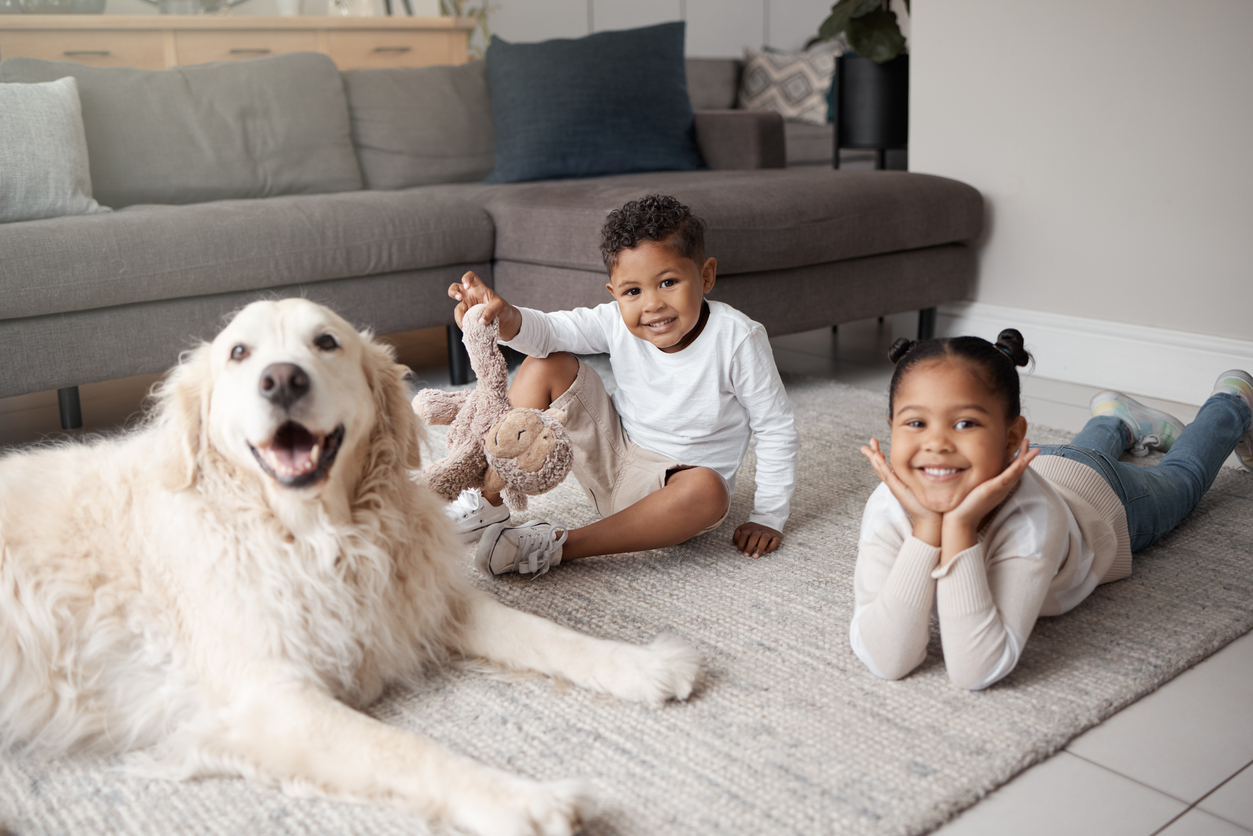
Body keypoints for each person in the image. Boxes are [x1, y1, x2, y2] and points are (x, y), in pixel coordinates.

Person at [851, 328, 1253, 690]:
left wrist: (956, 527)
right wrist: (924, 529)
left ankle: (1232, 401)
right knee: (1082, 453)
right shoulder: (888, 503)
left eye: (965, 424)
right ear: (891, 427)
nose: (936, 444)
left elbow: (976, 669)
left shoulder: (1032, 518)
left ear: (1013, 437)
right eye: (916, 424)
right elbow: (886, 659)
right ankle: (1115, 420)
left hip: (1101, 498)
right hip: (1042, 463)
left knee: (1182, 479)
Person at [442, 194, 799, 577]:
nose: (652, 304)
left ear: (706, 276)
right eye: (633, 291)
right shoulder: (615, 321)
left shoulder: (738, 338)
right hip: (609, 455)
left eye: (668, 282)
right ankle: (487, 497)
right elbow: (549, 331)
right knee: (547, 363)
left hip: (670, 493)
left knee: (711, 490)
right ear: (614, 293)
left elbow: (775, 427)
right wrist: (505, 316)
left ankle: (560, 544)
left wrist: (769, 515)